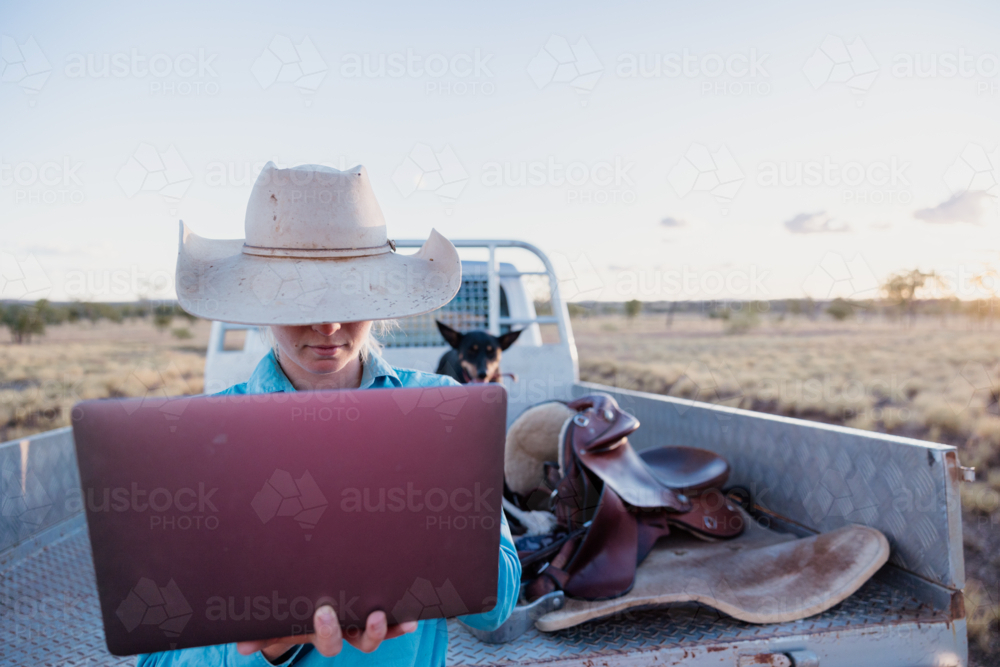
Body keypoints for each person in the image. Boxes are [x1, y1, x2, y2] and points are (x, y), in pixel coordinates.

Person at [138, 162, 520, 666]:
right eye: (300, 296)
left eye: (351, 293)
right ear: (259, 300)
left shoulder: (441, 408)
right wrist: (266, 648)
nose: (330, 322)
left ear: (380, 295)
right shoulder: (202, 439)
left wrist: (438, 520)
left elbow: (497, 607)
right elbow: (157, 657)